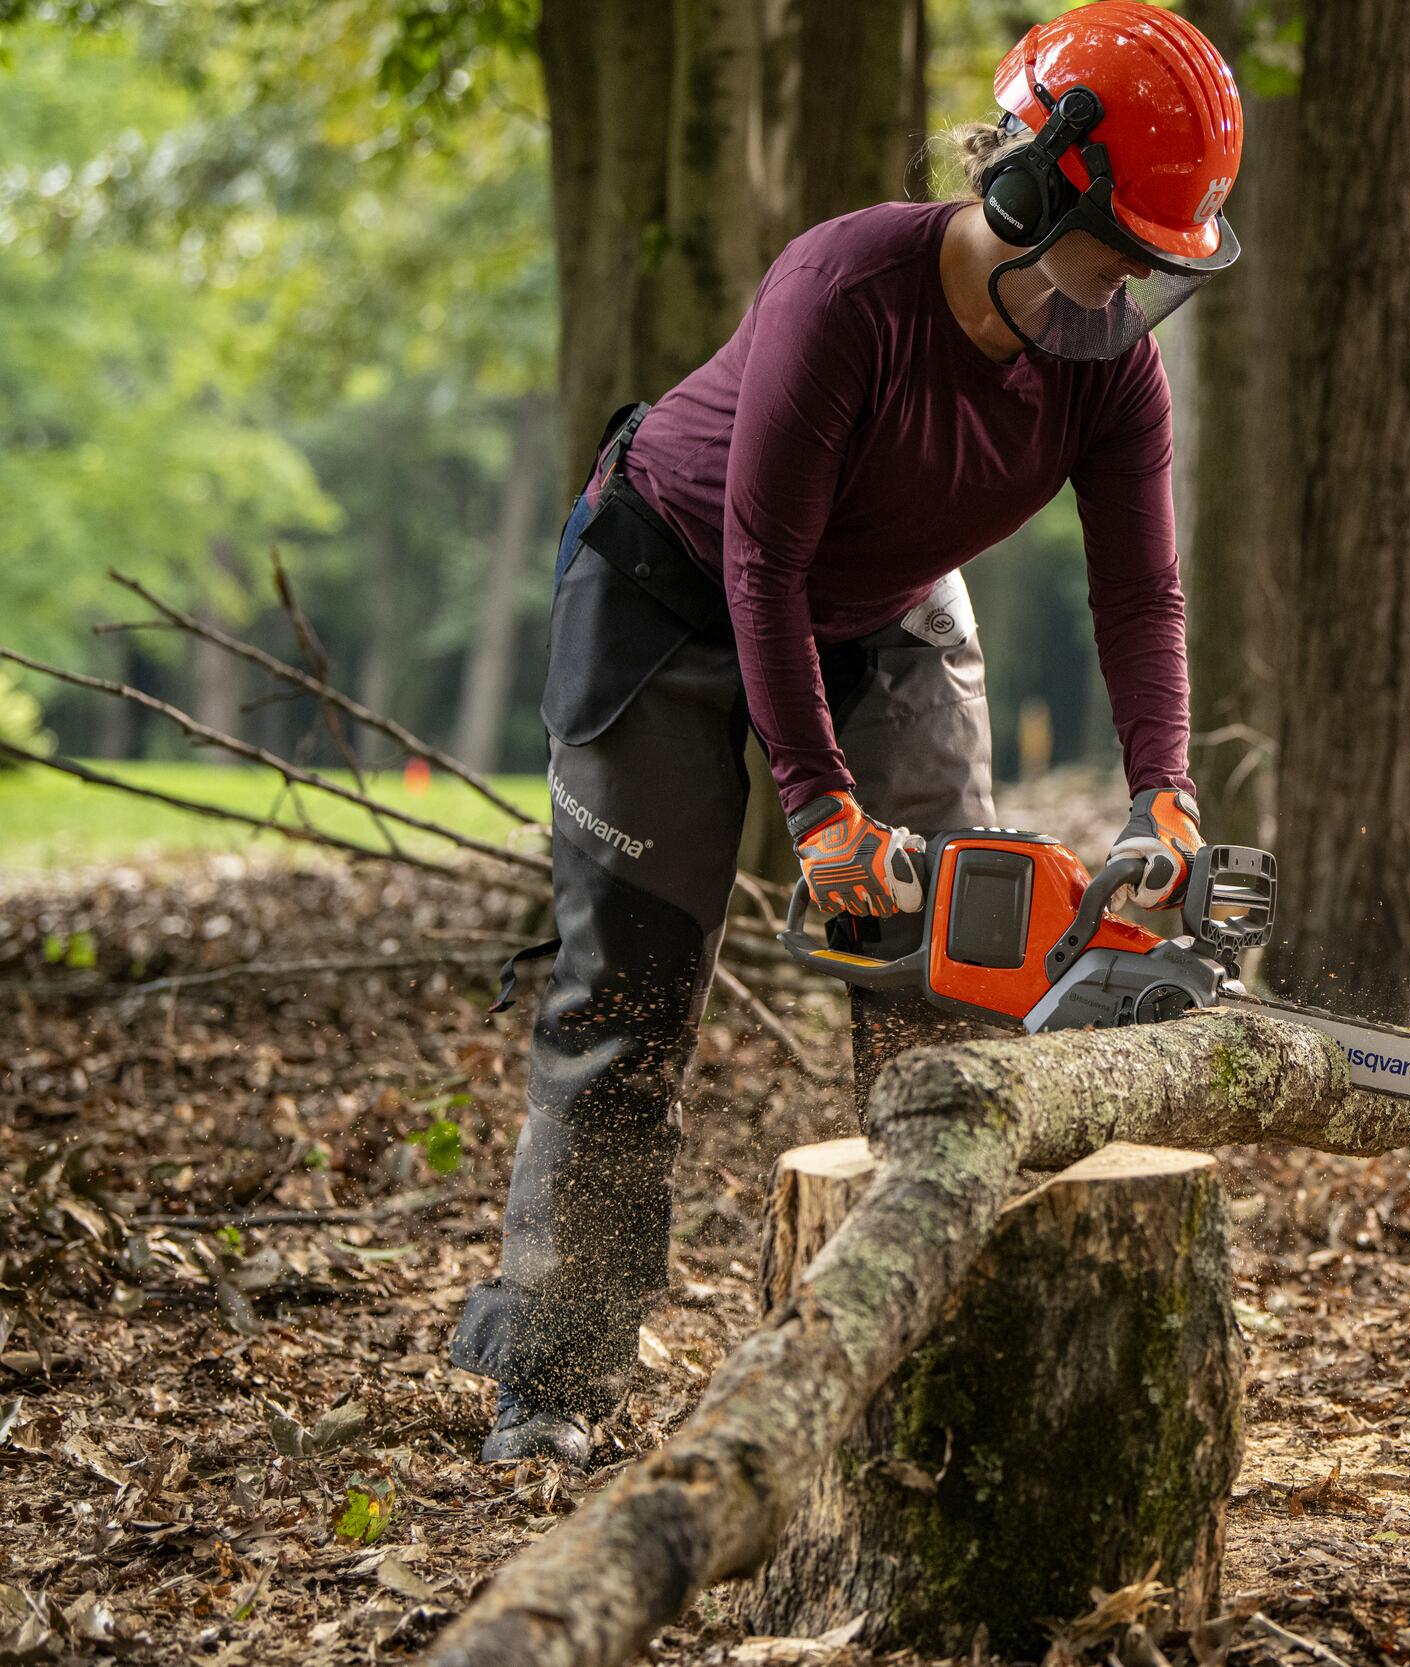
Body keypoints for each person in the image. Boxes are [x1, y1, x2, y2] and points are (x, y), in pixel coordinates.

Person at [450, 1, 1244, 1466]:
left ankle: (922, 1338)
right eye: (1121, 243)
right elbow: (762, 562)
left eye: (1157, 260)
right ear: (1031, 184)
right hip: (673, 584)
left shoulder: (1109, 367)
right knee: (625, 985)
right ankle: (551, 1370)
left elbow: (1142, 589)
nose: (1132, 281)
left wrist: (1165, 794)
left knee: (952, 958)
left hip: (888, 609)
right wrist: (817, 808)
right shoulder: (849, 287)